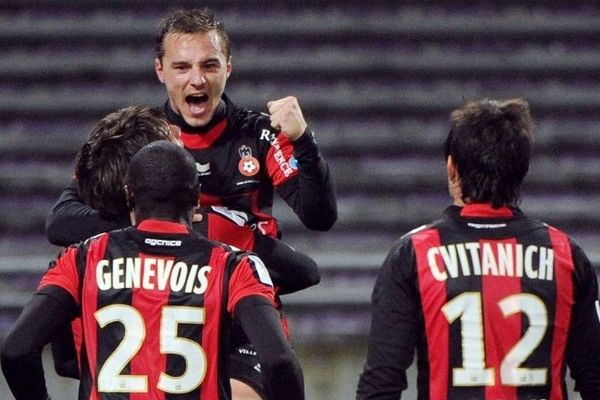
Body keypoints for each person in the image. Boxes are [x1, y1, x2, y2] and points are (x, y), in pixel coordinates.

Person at [46, 8, 336, 399]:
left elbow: (318, 218)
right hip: (155, 304)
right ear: (160, 70)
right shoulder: (136, 136)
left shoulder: (258, 135)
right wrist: (171, 231)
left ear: (228, 68)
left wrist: (303, 141)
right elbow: (62, 221)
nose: (196, 79)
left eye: (209, 65)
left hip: (239, 309)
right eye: (182, 67)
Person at [1, 140, 305, 400]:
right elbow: (279, 361)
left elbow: (17, 350)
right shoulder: (234, 265)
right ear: (197, 199)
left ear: (130, 195)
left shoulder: (81, 257)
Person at [355, 98, 600, 399]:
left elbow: (380, 386)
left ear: (451, 168)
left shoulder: (413, 254)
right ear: (522, 170)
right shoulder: (565, 254)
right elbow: (595, 380)